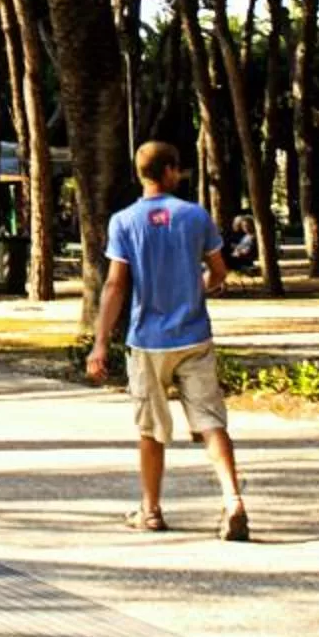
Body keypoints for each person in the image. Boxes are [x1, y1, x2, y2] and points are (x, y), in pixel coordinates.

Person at [86, 139, 251, 540]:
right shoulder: (195, 216)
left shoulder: (124, 222)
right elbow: (219, 271)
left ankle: (152, 510)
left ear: (142, 174)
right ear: (171, 171)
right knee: (212, 423)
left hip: (147, 341)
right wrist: (202, 286)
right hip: (195, 334)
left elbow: (115, 286)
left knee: (151, 430)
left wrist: (101, 342)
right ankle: (232, 500)